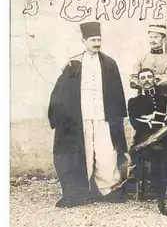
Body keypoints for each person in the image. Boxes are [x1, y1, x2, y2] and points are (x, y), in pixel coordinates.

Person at [48, 21, 128, 208]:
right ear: (83, 40)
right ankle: (77, 193)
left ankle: (108, 190)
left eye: (99, 39)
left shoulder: (109, 63)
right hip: (80, 117)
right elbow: (63, 91)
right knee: (81, 154)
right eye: (93, 39)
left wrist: (116, 116)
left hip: (103, 116)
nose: (96, 43)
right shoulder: (73, 64)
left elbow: (117, 91)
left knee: (106, 153)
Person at [127, 68, 167, 217]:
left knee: (165, 149)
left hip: (165, 142)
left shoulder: (166, 100)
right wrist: (156, 123)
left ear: (154, 80)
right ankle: (165, 201)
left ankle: (164, 200)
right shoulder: (133, 102)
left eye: (149, 77)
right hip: (144, 142)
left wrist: (152, 121)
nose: (146, 80)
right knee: (159, 158)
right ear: (139, 82)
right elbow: (136, 124)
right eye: (143, 78)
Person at [130, 24, 167, 95]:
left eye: (156, 37)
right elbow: (133, 81)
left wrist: (144, 79)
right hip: (142, 98)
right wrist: (159, 77)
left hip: (162, 97)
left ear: (163, 39)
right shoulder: (141, 58)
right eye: (151, 37)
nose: (152, 40)